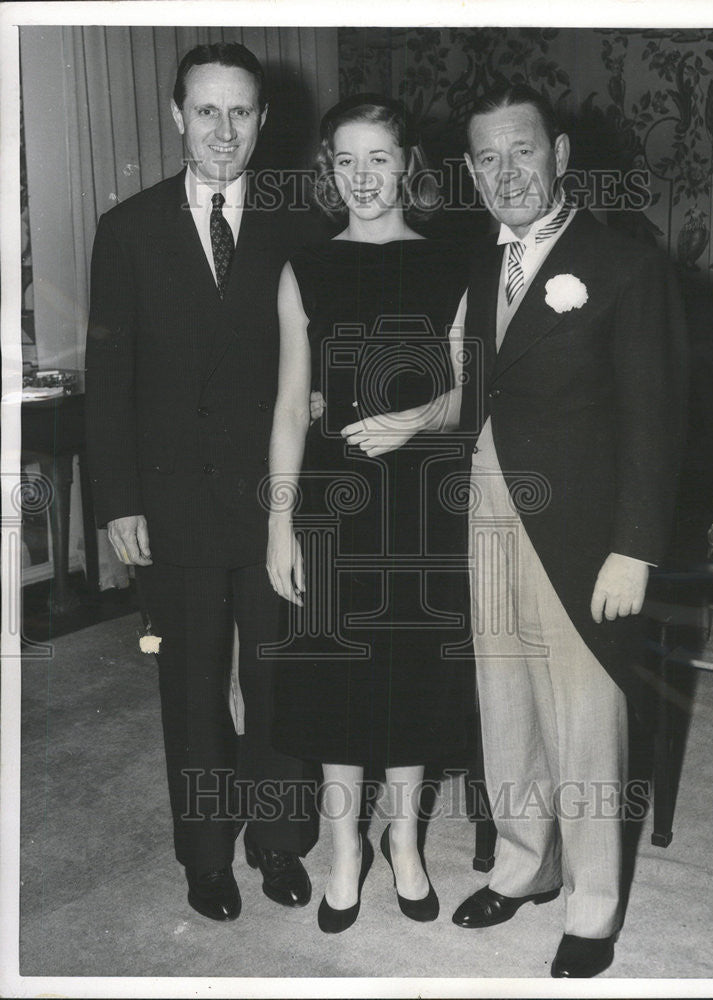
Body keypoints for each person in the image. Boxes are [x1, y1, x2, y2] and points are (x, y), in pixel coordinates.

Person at [450, 84, 688, 977]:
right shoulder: (480, 262)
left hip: (585, 531)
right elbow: (481, 386)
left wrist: (635, 545)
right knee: (506, 701)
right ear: (470, 172)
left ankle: (592, 904)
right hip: (489, 510)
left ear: (559, 154)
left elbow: (654, 421)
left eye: (521, 152)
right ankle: (524, 864)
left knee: (586, 719)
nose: (506, 174)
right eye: (486, 159)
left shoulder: (625, 265)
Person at [84, 42, 318, 923]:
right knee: (190, 691)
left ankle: (279, 845)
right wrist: (118, 500)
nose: (225, 130)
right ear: (177, 116)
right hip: (173, 504)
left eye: (243, 112)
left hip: (274, 509)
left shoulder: (300, 225)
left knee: (277, 678)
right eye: (208, 112)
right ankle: (207, 857)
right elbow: (110, 379)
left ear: (264, 120)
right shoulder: (129, 229)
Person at [265, 93, 472, 933]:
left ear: (407, 165)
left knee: (416, 670)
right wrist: (279, 520)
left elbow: (466, 396)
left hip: (423, 498)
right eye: (345, 162)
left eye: (378, 159)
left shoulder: (454, 263)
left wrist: (417, 418)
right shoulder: (305, 268)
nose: (362, 178)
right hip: (332, 498)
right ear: (328, 170)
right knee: (340, 673)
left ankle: (406, 840)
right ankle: (346, 845)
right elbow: (287, 406)